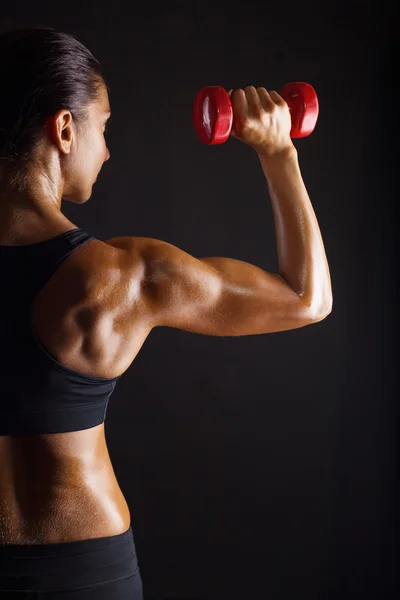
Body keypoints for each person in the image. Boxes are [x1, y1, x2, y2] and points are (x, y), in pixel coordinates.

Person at [0, 26, 332, 600]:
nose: (106, 149)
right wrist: (280, 153)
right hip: (86, 572)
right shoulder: (121, 276)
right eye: (102, 128)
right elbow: (306, 299)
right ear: (63, 128)